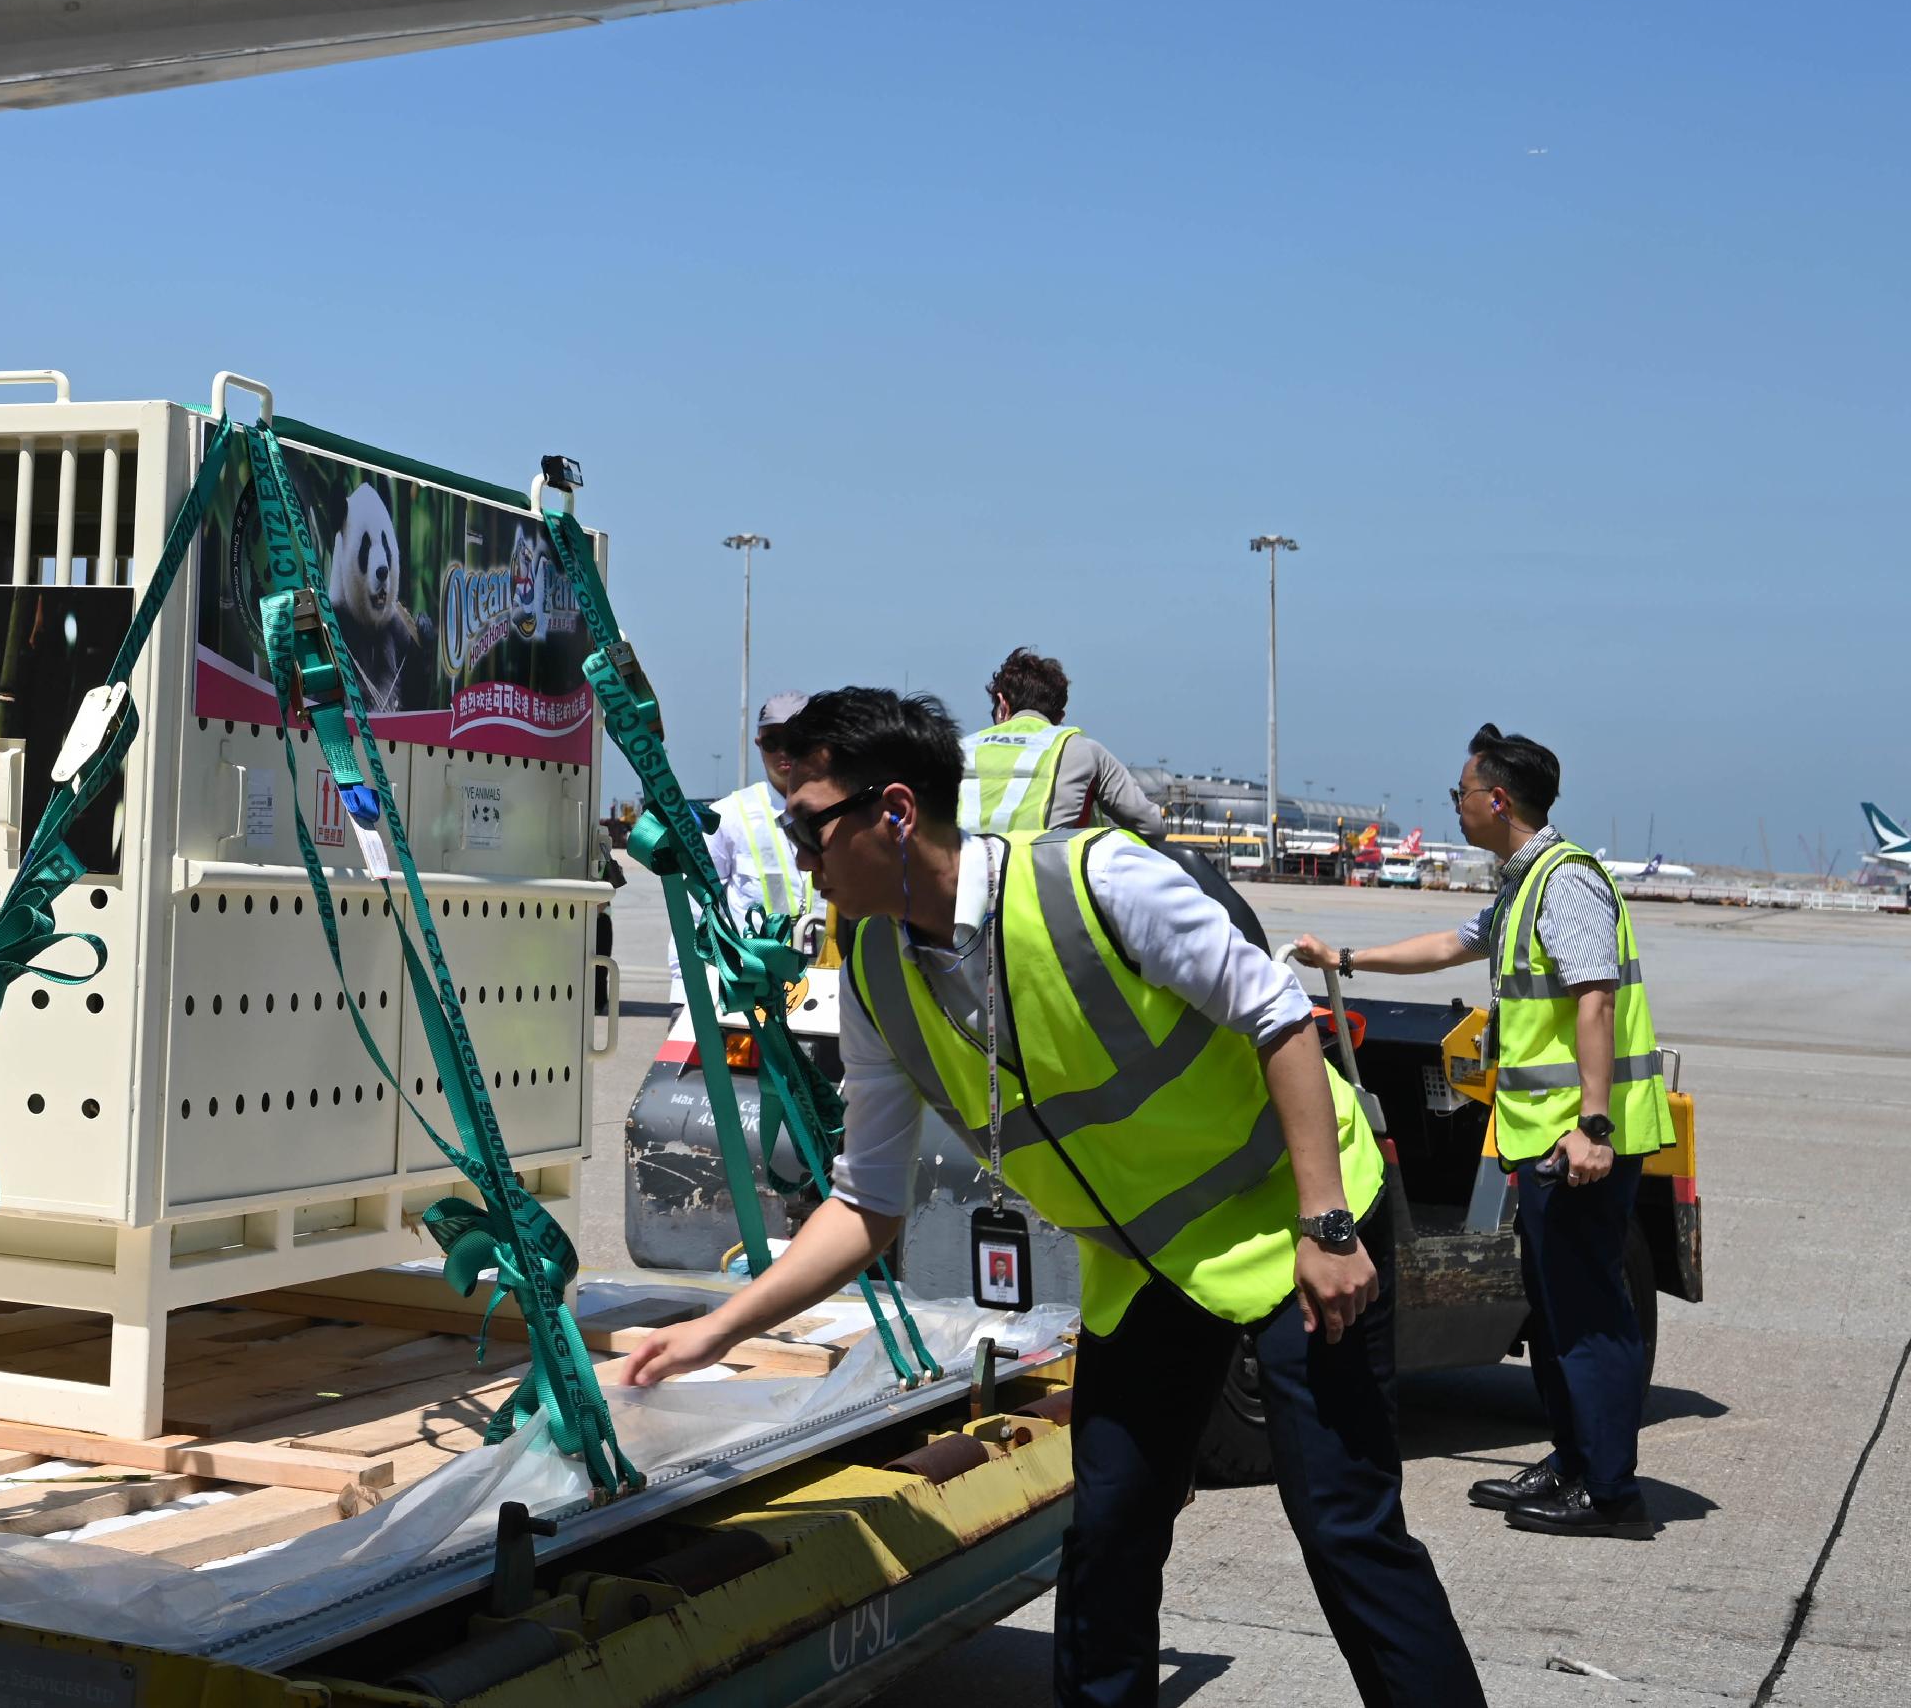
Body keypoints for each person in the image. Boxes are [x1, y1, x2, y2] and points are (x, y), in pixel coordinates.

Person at [620, 686, 1482, 1708]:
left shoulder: (1096, 882)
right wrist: (715, 1330)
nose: (797, 852)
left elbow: (1280, 1016)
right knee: (1110, 1526)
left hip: (1286, 1217)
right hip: (1145, 1262)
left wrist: (1327, 1223)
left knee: (1342, 1524)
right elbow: (865, 1203)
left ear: (894, 811)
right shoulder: (876, 972)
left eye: (808, 823)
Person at [1293, 724, 1668, 1538]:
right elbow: (1451, 943)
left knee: (1588, 1314)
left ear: (1497, 798)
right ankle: (1572, 1461)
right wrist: (1342, 955)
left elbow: (1594, 999)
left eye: (1461, 791)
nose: (1456, 803)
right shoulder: (1519, 885)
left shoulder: (1564, 882)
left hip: (1579, 1143)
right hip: (1538, 1139)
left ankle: (1607, 1490)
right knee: (1555, 1308)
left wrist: (1593, 1127)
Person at [957, 648, 1171, 841]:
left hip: (962, 882)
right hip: (1044, 883)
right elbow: (1152, 826)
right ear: (1059, 717)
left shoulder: (959, 749)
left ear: (1002, 704)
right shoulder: (1083, 749)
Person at [709, 690, 814, 927]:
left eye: (796, 740)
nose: (784, 750)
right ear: (759, 743)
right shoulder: (726, 816)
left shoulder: (845, 815)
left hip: (833, 963)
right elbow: (698, 913)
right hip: (757, 964)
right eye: (772, 742)